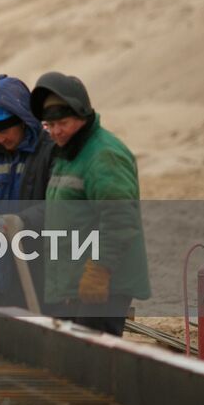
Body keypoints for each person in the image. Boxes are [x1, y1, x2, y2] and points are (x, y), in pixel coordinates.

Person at [33, 72, 150, 336]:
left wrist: (99, 270)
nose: (56, 131)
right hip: (74, 283)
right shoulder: (70, 152)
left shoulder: (103, 155)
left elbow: (120, 218)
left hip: (102, 286)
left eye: (62, 122)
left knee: (93, 365)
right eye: (49, 126)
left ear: (82, 116)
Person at [0, 75, 52, 342]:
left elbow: (61, 208)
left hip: (34, 270)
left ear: (24, 119)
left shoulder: (48, 153)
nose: (1, 137)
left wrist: (23, 220)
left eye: (6, 130)